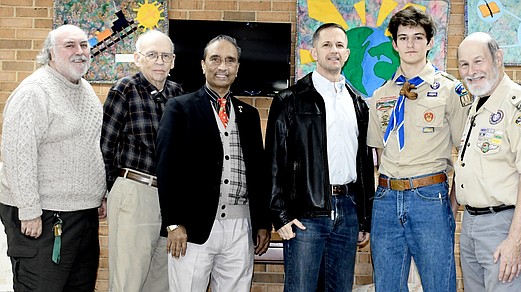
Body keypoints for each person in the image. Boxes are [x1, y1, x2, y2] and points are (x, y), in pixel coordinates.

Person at [156, 34, 271, 292]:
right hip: (192, 228)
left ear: (237, 68)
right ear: (203, 64)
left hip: (240, 229)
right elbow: (166, 169)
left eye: (230, 60)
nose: (223, 67)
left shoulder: (249, 115)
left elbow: (259, 173)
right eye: (215, 59)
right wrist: (173, 223)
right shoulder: (179, 108)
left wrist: (262, 222)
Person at [367, 6, 471, 291]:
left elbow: (467, 152)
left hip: (429, 197)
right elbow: (377, 153)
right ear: (394, 44)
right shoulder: (381, 95)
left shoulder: (451, 90)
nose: (410, 44)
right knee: (387, 285)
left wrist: (452, 202)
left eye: (417, 37)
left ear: (429, 42)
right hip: (386, 199)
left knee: (439, 283)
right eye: (403, 38)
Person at [266, 23, 375, 292]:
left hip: (348, 213)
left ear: (347, 53)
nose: (333, 51)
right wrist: (279, 215)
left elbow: (363, 164)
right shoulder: (289, 99)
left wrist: (364, 218)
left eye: (339, 45)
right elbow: (274, 161)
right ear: (314, 52)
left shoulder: (358, 103)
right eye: (326, 45)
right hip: (305, 215)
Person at [0, 24, 106, 291]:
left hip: (82, 216)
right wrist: (29, 210)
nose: (79, 52)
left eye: (84, 45)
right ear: (50, 53)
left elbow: (90, 147)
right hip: (43, 217)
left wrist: (98, 194)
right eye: (69, 45)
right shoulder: (34, 92)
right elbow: (17, 154)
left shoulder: (87, 91)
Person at [454, 32, 521, 292]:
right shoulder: (477, 105)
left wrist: (515, 240)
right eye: (464, 64)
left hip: (506, 223)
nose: (471, 71)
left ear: (498, 58)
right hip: (472, 222)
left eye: (478, 61)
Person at [101, 29, 184, 291]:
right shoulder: (125, 88)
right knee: (128, 282)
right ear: (138, 58)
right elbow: (106, 146)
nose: (159, 61)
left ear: (173, 61)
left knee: (161, 281)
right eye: (152, 55)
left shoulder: (177, 93)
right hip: (135, 192)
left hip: (169, 200)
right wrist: (114, 190)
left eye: (165, 56)